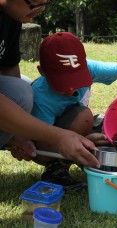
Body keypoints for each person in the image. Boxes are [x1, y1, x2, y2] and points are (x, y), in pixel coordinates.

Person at [31, 31, 117, 190]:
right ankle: (56, 171)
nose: (71, 88)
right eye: (63, 83)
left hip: (76, 130)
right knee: (84, 117)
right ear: (42, 72)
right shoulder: (40, 97)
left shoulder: (88, 68)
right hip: (47, 142)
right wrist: (84, 140)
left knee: (111, 133)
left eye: (76, 80)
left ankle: (91, 160)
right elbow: (41, 149)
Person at [0, 1, 100, 169]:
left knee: (21, 90)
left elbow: (8, 67)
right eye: (34, 5)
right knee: (21, 93)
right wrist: (58, 137)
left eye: (45, 3)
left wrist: (17, 135)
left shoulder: (11, 16)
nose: (41, 10)